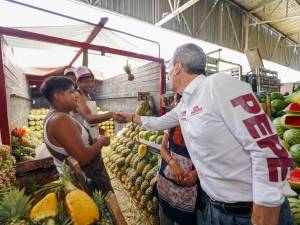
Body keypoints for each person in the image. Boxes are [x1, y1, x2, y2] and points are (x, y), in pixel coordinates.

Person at [116, 43, 295, 225]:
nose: (168, 74)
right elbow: (158, 123)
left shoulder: (217, 85)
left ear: (178, 66)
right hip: (214, 210)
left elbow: (271, 150)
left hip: (248, 214)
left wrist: (264, 210)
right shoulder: (185, 103)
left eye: (169, 68)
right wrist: (131, 117)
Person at [40, 76, 109, 176]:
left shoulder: (57, 116)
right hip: (85, 182)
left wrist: (92, 141)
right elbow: (83, 158)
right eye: (71, 92)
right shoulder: (60, 120)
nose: (76, 95)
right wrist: (101, 141)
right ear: (58, 96)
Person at [157, 93, 199, 225]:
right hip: (166, 185)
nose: (176, 105)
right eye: (176, 102)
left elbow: (209, 158)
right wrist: (172, 163)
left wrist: (196, 173)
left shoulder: (200, 126)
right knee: (165, 217)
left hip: (187, 190)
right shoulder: (172, 123)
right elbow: (163, 148)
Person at [73, 66, 116, 139]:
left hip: (87, 134)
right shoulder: (77, 95)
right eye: (87, 81)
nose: (91, 84)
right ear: (78, 82)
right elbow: (89, 118)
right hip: (78, 137)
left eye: (92, 81)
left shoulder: (87, 96)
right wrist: (112, 114)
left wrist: (98, 129)